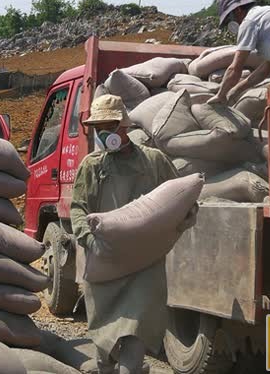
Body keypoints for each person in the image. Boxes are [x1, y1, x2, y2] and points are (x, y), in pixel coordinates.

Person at [71, 94, 196, 374]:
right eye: (97, 127)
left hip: (144, 262)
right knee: (104, 338)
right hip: (105, 262)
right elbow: (78, 209)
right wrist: (89, 240)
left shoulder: (154, 161)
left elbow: (180, 197)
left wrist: (184, 218)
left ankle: (133, 367)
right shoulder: (92, 165)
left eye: (108, 126)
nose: (102, 133)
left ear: (124, 127)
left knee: (136, 328)